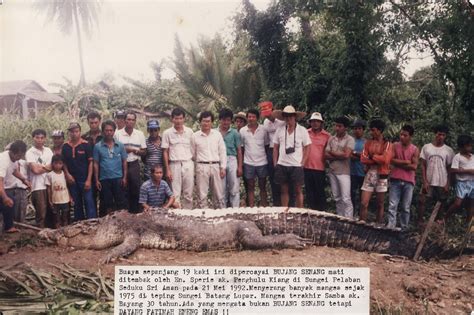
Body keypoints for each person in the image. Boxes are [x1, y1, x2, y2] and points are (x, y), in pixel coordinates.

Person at [272, 105, 311, 207]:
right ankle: (285, 212)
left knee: (298, 190)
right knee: (284, 190)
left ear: (295, 117)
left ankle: (300, 212)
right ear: (283, 117)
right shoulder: (280, 129)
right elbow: (275, 147)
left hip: (296, 165)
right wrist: (275, 163)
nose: (288, 118)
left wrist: (302, 163)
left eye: (290, 116)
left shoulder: (302, 130)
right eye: (286, 116)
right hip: (282, 164)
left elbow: (307, 147)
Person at [417, 125, 454, 225]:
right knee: (422, 201)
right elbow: (423, 165)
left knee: (441, 202)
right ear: (435, 134)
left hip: (442, 181)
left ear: (445, 136)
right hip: (429, 180)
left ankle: (438, 223)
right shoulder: (427, 147)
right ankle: (420, 221)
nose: (440, 137)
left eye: (443, 135)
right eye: (439, 134)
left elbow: (450, 169)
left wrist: (447, 183)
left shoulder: (449, 150)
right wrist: (424, 181)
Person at [191, 111, 227, 209]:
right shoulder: (195, 136)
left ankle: (220, 217)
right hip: (201, 166)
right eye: (204, 121)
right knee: (202, 195)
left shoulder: (217, 135)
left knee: (219, 195)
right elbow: (193, 154)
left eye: (208, 121)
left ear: (212, 122)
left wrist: (223, 167)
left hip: (215, 166)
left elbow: (222, 151)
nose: (206, 123)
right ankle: (204, 218)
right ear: (200, 122)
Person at [360, 119, 392, 224]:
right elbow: (363, 158)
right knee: (364, 203)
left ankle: (378, 225)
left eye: (373, 130)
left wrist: (372, 156)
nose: (371, 132)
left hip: (382, 174)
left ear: (379, 130)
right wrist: (377, 159)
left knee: (380, 203)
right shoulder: (368, 143)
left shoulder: (387, 143)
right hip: (370, 173)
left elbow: (385, 159)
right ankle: (362, 223)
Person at [387, 125, 419, 230]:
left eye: (405, 135)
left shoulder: (414, 149)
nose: (402, 137)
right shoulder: (395, 145)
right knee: (392, 205)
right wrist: (406, 162)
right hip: (395, 178)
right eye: (401, 134)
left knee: (405, 207)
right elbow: (391, 160)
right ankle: (391, 226)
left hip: (409, 181)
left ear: (410, 136)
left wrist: (398, 163)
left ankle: (404, 228)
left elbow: (414, 166)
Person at [62, 122, 96, 220]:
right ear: (69, 133)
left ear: (80, 132)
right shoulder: (65, 147)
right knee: (77, 203)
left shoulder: (86, 145)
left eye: (76, 131)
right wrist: (67, 175)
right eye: (72, 132)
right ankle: (79, 224)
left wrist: (89, 179)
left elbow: (91, 163)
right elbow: (64, 163)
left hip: (84, 178)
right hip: (72, 179)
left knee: (89, 201)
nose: (74, 134)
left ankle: (92, 223)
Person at [162, 108, 194, 209]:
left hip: (188, 163)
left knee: (188, 193)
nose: (178, 121)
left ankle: (189, 215)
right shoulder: (167, 133)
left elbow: (193, 148)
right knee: (175, 194)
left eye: (180, 118)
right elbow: (165, 151)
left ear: (184, 119)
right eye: (176, 118)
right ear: (172, 119)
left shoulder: (189, 132)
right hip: (174, 165)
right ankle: (178, 216)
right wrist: (167, 170)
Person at [93, 120, 128, 215]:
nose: (109, 132)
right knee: (106, 203)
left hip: (118, 178)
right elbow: (95, 163)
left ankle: (122, 221)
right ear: (103, 131)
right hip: (104, 179)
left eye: (111, 130)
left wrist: (124, 177)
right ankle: (105, 224)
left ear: (114, 131)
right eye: (106, 130)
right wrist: (96, 180)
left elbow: (124, 161)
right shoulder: (97, 146)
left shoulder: (120, 145)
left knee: (121, 202)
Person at [115, 112, 146, 213]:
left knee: (135, 188)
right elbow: (114, 150)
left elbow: (144, 152)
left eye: (133, 120)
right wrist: (123, 150)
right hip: (120, 164)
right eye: (128, 119)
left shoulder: (139, 134)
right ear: (124, 120)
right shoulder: (117, 134)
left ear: (135, 121)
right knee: (123, 188)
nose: (130, 122)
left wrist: (133, 150)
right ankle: (124, 213)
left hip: (134, 164)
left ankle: (135, 212)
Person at [325, 116, 355, 218]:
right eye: (336, 125)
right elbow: (326, 155)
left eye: (340, 126)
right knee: (337, 198)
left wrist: (332, 153)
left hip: (344, 172)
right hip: (332, 171)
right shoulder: (331, 139)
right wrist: (339, 154)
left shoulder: (350, 139)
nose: (337, 128)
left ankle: (349, 221)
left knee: (346, 198)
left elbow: (346, 155)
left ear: (345, 128)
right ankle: (340, 219)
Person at [240, 109, 269, 207]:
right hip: (248, 163)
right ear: (247, 118)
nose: (251, 119)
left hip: (262, 162)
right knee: (250, 186)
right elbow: (242, 148)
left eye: (253, 117)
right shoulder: (243, 131)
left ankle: (264, 207)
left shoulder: (264, 130)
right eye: (249, 117)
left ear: (257, 118)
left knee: (262, 186)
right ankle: (251, 208)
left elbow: (266, 145)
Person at [26, 129, 53, 228]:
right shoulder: (30, 152)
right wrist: (47, 167)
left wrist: (41, 167)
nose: (39, 140)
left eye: (42, 138)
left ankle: (51, 232)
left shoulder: (49, 151)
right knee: (41, 212)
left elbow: (53, 166)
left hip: (50, 184)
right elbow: (35, 170)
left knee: (52, 210)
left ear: (45, 138)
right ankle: (40, 233)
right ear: (33, 138)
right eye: (37, 138)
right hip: (37, 186)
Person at [261, 102, 287, 206]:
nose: (268, 115)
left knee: (284, 177)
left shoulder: (282, 120)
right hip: (272, 150)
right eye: (265, 113)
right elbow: (266, 140)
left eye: (269, 112)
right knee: (273, 177)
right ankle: (276, 203)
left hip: (283, 150)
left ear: (273, 110)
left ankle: (287, 202)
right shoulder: (265, 123)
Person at [304, 112, 330, 211]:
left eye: (317, 121)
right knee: (309, 193)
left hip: (320, 168)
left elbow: (329, 151)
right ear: (310, 122)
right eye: (313, 121)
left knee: (320, 193)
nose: (315, 123)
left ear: (321, 123)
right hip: (307, 167)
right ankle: (312, 214)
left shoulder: (327, 136)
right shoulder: (305, 133)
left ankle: (322, 214)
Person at [443, 135, 473, 223]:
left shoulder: (473, 157)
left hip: (472, 183)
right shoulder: (458, 157)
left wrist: (464, 170)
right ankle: (445, 218)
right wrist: (468, 171)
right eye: (468, 145)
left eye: (470, 145)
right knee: (457, 203)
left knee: (471, 204)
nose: (470, 147)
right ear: (462, 147)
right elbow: (453, 170)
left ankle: (468, 224)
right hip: (462, 183)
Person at [0, 140, 28, 233]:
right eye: (18, 155)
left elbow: (15, 171)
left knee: (10, 201)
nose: (19, 158)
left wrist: (24, 180)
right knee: (7, 200)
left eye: (21, 155)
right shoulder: (3, 161)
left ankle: (8, 227)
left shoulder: (14, 159)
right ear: (11, 152)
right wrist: (4, 198)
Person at [218, 108, 242, 207]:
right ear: (220, 120)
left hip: (232, 159)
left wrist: (240, 166)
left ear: (231, 121)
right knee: (221, 187)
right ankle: (222, 211)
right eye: (223, 120)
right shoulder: (215, 132)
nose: (226, 122)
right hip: (219, 160)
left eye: (228, 120)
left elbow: (239, 151)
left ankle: (235, 210)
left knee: (234, 187)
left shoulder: (235, 133)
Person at [46, 155, 71, 228]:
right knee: (56, 217)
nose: (58, 165)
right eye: (55, 163)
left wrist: (70, 197)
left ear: (63, 164)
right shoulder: (49, 175)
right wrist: (50, 199)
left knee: (65, 216)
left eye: (60, 163)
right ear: (52, 164)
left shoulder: (64, 174)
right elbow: (49, 188)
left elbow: (67, 186)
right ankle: (57, 230)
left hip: (65, 199)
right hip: (55, 200)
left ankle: (66, 229)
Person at [350, 119, 366, 214]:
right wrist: (358, 155)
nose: (357, 130)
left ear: (363, 130)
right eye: (355, 128)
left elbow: (366, 156)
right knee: (351, 195)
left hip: (363, 173)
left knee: (362, 197)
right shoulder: (350, 141)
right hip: (351, 172)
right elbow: (348, 155)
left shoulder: (366, 143)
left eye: (359, 128)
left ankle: (361, 216)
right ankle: (351, 215)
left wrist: (355, 153)